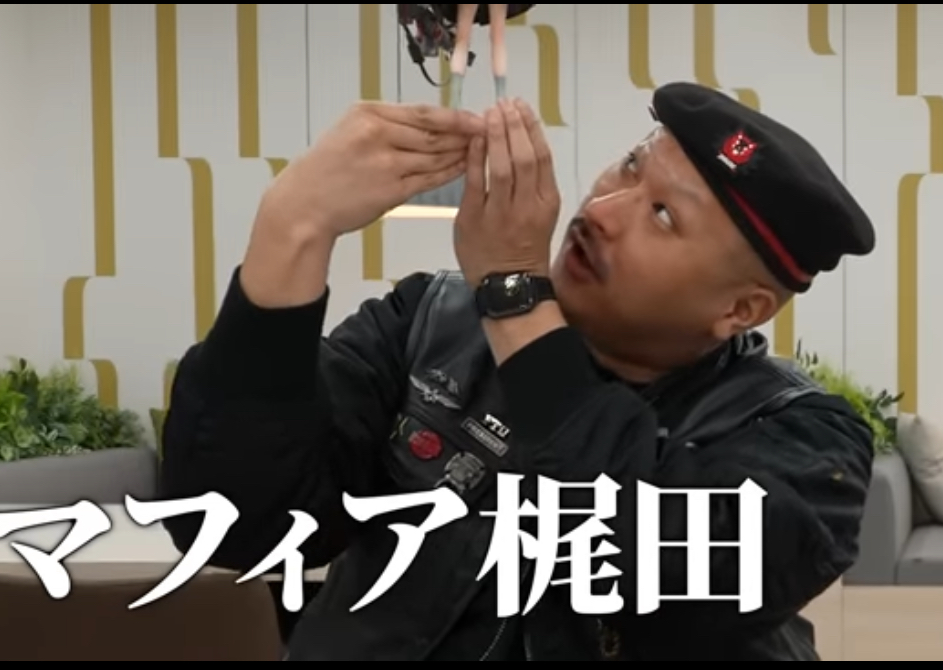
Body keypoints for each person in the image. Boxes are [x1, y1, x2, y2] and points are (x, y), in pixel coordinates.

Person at [158, 82, 878, 660]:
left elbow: (656, 583)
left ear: (740, 309)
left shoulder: (802, 439)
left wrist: (514, 295)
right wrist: (292, 226)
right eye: (630, 167)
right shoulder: (429, 323)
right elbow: (232, 524)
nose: (602, 209)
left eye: (663, 216)